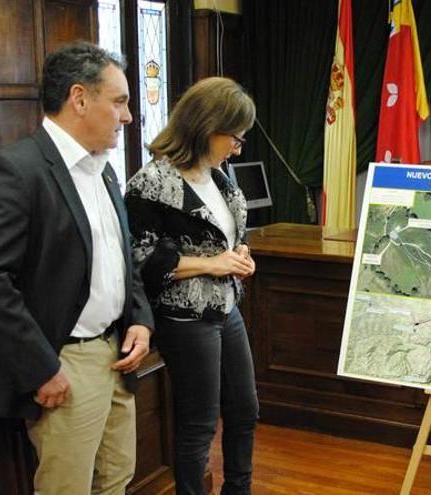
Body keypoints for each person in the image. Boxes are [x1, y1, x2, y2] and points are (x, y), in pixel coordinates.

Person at [0, 42, 154, 494]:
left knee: (117, 480)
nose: (127, 117)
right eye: (120, 101)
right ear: (80, 98)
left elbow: (122, 257)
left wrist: (140, 320)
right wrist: (40, 368)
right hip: (66, 362)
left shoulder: (103, 169)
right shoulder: (17, 169)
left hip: (117, 354)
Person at [125, 76, 258, 495]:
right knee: (199, 423)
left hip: (226, 307)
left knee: (244, 411)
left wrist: (239, 258)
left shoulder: (219, 177)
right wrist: (212, 264)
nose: (238, 148)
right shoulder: (151, 184)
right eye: (235, 138)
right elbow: (139, 260)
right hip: (184, 316)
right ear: (207, 126)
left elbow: (227, 238)